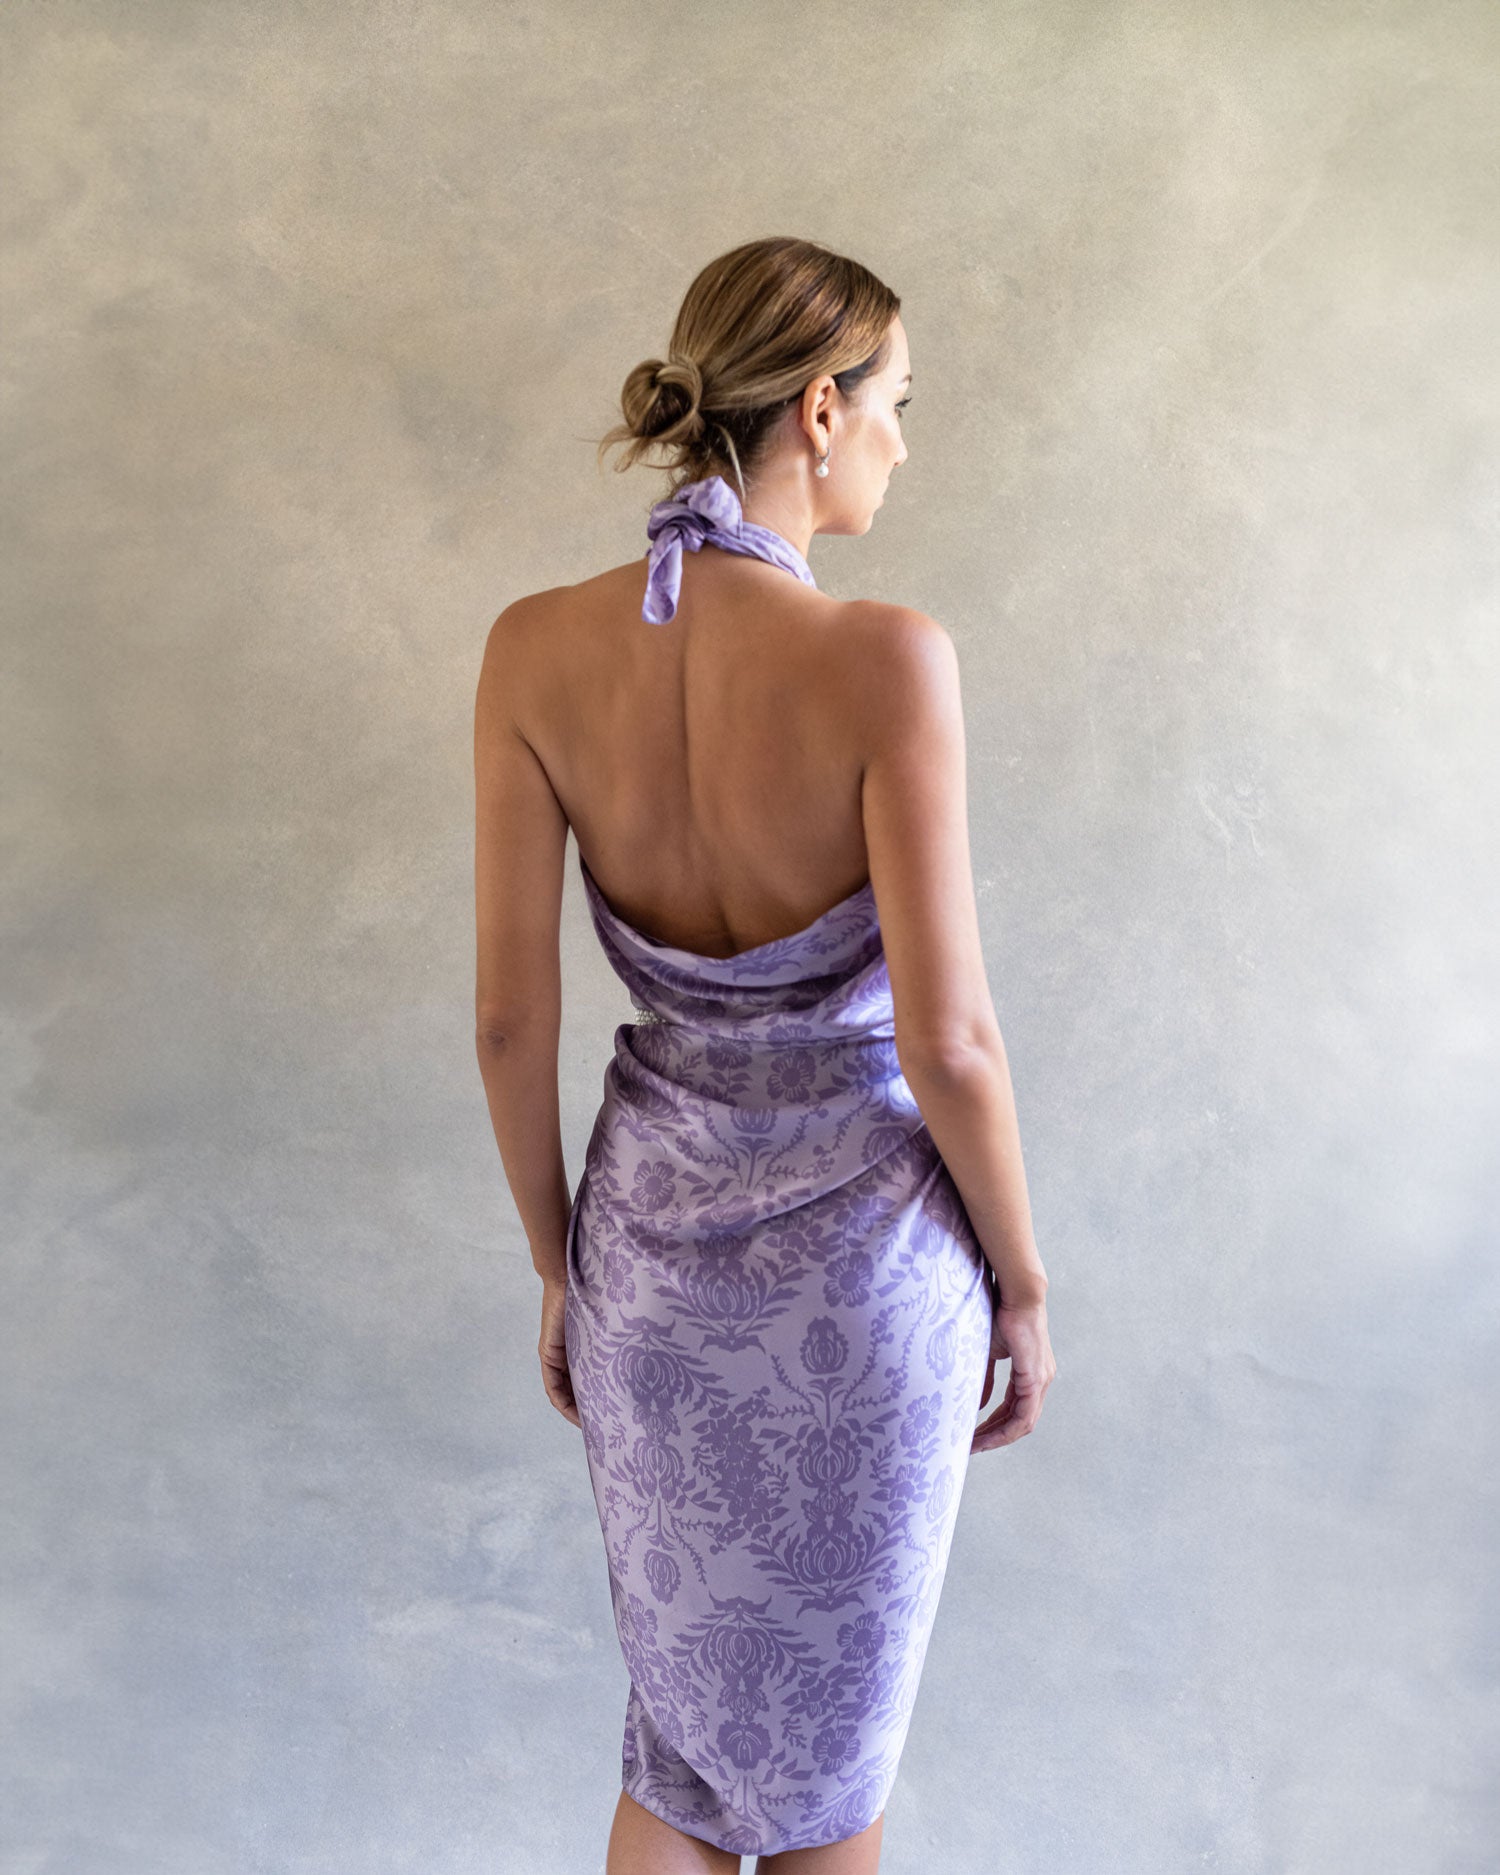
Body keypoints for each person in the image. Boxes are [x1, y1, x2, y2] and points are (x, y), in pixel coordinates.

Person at [473, 235, 1056, 1875]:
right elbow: (949, 1042)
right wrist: (1020, 1280)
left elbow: (510, 1023)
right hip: (865, 1283)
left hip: (648, 1260)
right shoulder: (885, 661)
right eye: (898, 404)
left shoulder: (533, 649)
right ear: (818, 408)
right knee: (827, 1780)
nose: (903, 441)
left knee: (681, 1759)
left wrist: (557, 1264)